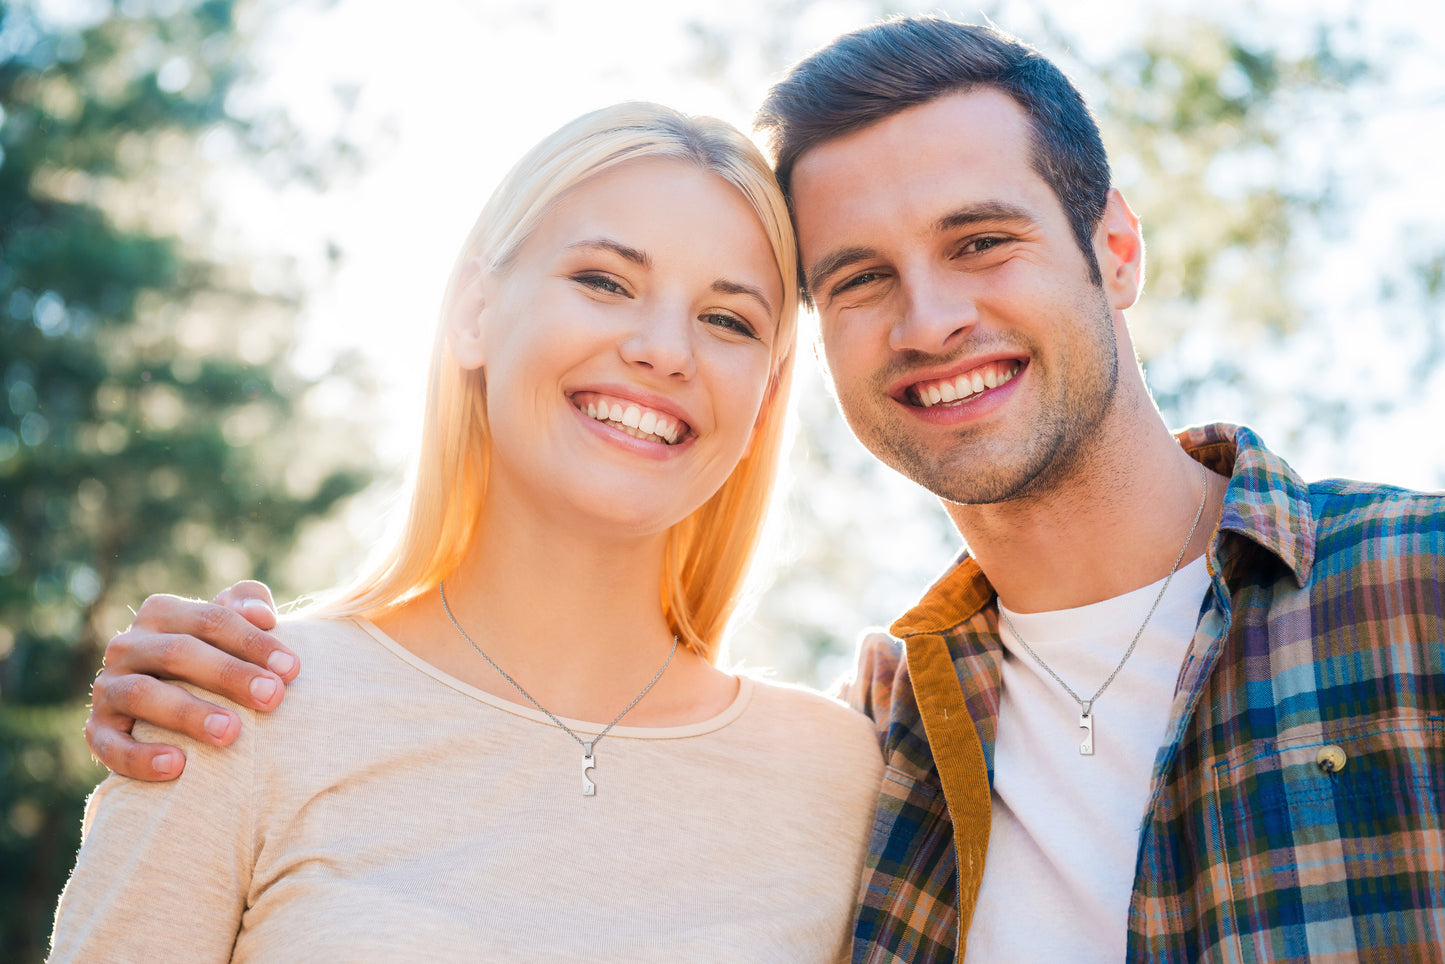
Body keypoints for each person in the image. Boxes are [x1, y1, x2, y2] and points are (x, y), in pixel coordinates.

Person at [80, 16, 1445, 964]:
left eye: (983, 241)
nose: (929, 319)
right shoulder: (894, 742)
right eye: (855, 279)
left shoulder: (1408, 591)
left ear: (1116, 249)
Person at [49, 102, 885, 963]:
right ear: (475, 312)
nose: (665, 349)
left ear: (767, 394)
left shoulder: (848, 778)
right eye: (604, 280)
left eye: (729, 320)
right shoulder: (234, 705)